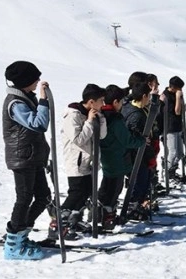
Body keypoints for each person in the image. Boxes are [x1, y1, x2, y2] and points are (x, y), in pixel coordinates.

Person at [1, 61, 51, 260]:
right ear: (25, 81)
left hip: (33, 157)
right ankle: (13, 243)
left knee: (43, 197)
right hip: (22, 158)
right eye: (35, 78)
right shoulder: (16, 103)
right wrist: (43, 101)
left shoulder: (25, 98)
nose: (38, 80)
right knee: (24, 198)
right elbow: (38, 124)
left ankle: (21, 233)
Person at [54, 83, 107, 241]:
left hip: (88, 162)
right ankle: (58, 223)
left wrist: (101, 119)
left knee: (85, 193)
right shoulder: (74, 115)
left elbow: (101, 136)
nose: (103, 104)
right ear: (91, 101)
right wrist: (89, 122)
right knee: (75, 193)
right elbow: (79, 139)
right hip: (76, 161)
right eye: (101, 101)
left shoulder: (92, 113)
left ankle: (74, 221)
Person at [97, 85, 146, 230]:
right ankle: (108, 217)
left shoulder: (102, 115)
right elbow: (127, 140)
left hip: (107, 156)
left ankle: (98, 213)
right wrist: (142, 140)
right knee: (114, 189)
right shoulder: (115, 120)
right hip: (117, 158)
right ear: (116, 102)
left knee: (106, 186)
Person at [121, 82, 155, 220]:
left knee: (144, 178)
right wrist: (141, 139)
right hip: (136, 154)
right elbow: (131, 133)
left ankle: (139, 203)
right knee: (139, 179)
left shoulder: (137, 109)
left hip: (142, 152)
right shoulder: (135, 113)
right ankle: (133, 205)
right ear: (144, 96)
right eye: (148, 96)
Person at [162, 76, 185, 180]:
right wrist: (177, 98)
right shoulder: (166, 96)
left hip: (178, 126)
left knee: (180, 153)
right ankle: (166, 172)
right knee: (173, 152)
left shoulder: (175, 94)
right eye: (179, 88)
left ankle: (172, 171)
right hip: (170, 127)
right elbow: (177, 111)